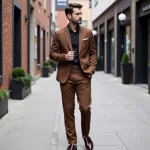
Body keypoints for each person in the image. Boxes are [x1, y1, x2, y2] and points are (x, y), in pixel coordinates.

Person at [49, 3, 97, 150]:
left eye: (80, 13)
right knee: (68, 110)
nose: (80, 16)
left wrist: (91, 69)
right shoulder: (59, 34)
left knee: (85, 108)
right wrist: (64, 57)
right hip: (66, 76)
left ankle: (86, 135)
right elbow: (52, 54)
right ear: (69, 16)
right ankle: (72, 142)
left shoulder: (87, 32)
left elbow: (93, 53)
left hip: (83, 75)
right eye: (77, 14)